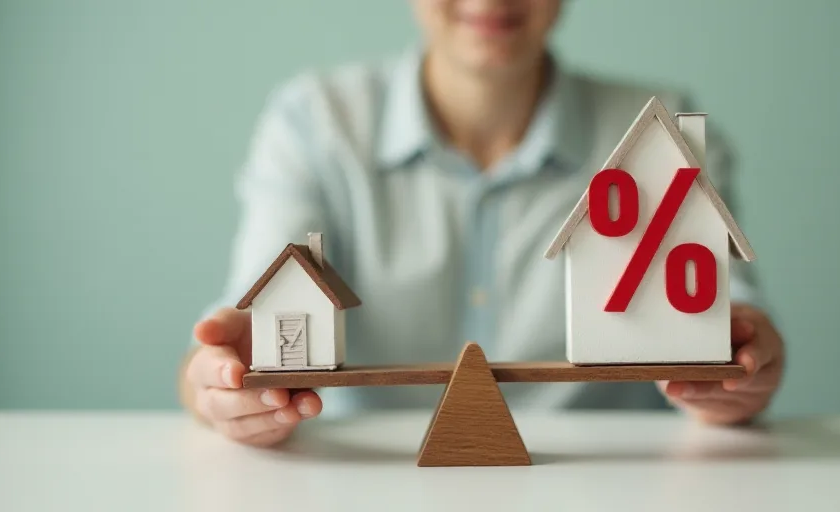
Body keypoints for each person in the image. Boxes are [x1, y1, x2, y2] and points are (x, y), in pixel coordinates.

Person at [180, 0, 785, 447]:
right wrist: (219, 386)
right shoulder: (311, 122)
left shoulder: (664, 130)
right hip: (361, 474)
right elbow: (235, 330)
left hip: (613, 474)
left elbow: (735, 333)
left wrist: (739, 377)